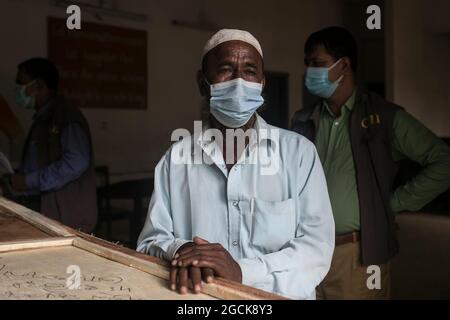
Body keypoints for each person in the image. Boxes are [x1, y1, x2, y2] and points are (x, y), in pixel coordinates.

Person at [137, 29, 335, 299]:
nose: (240, 82)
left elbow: (316, 250)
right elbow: (149, 244)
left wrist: (243, 272)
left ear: (263, 83)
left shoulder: (298, 154)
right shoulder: (176, 159)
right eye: (226, 69)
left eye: (250, 71)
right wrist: (181, 250)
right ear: (202, 82)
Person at [292, 26, 450, 299]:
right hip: (306, 251)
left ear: (344, 65)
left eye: (317, 64)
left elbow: (443, 161)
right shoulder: (303, 120)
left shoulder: (384, 117)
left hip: (358, 256)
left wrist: (395, 203)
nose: (309, 72)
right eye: (307, 64)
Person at [3, 58, 97, 233]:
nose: (17, 90)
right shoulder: (43, 118)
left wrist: (28, 181)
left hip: (68, 218)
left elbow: (76, 161)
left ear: (39, 85)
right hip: (49, 213)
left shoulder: (65, 116)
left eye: (21, 84)